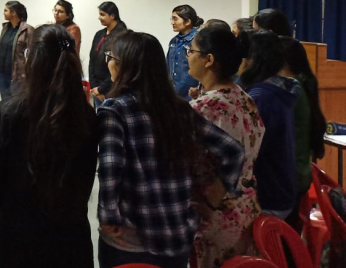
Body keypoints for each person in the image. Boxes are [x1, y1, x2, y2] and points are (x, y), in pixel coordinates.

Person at [97, 30, 245, 268]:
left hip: (130, 239)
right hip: (177, 235)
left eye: (111, 57)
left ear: (124, 65)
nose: (108, 63)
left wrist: (108, 217)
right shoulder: (180, 108)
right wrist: (213, 197)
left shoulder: (114, 110)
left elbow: (110, 170)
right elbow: (233, 151)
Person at [0, 24, 98, 266]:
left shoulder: (8, 112)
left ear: (32, 60)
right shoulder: (87, 115)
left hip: (19, 235)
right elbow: (85, 181)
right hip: (71, 237)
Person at [187, 26, 265, 268]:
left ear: (209, 59)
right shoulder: (243, 97)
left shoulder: (204, 108)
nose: (188, 56)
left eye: (191, 51)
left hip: (215, 216)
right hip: (246, 210)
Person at [239, 30, 299, 219]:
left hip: (268, 197)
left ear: (251, 60)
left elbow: (251, 153)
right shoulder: (274, 88)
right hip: (281, 190)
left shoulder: (261, 97)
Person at [280, 37, 327, 230]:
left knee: (286, 234)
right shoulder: (301, 83)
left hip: (291, 175)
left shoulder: (292, 89)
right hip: (298, 172)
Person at [0, 1, 34, 99]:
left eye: (6, 10)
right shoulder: (5, 28)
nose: (3, 13)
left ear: (13, 13)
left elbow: (32, 53)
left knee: (16, 103)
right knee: (5, 103)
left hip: (17, 76)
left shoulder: (27, 30)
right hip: (2, 73)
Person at [89, 1, 126, 104]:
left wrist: (101, 89)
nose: (99, 17)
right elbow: (92, 60)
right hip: (97, 90)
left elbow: (118, 68)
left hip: (113, 89)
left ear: (112, 16)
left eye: (102, 14)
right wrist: (94, 87)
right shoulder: (99, 34)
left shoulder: (122, 36)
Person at [167, 4, 204, 99]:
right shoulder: (173, 41)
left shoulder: (197, 40)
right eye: (171, 19)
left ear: (187, 22)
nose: (172, 22)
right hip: (173, 94)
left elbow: (195, 71)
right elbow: (168, 67)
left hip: (190, 94)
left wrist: (177, 92)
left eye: (175, 19)